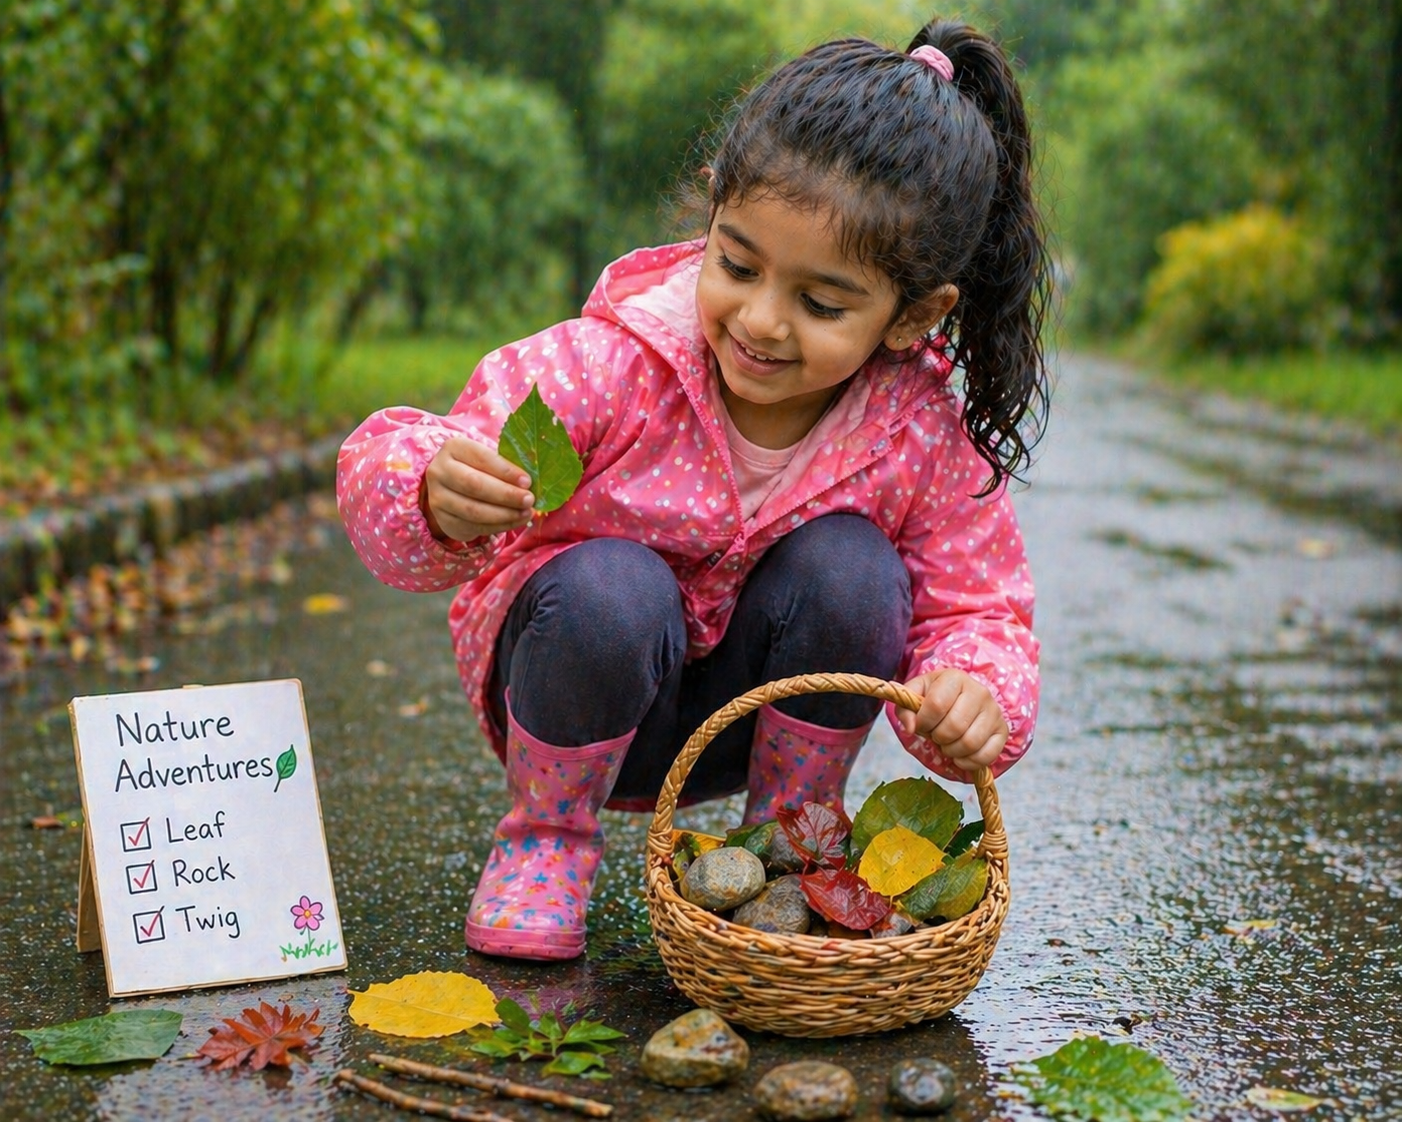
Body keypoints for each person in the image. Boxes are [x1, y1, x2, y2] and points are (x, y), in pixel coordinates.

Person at [337, 15, 1051, 961]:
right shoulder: (616, 364)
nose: (759, 321)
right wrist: (432, 490)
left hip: (744, 724)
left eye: (821, 303)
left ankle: (789, 843)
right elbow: (404, 453)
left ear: (912, 315)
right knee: (612, 584)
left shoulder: (916, 434)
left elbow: (981, 608)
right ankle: (547, 841)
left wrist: (976, 691)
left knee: (853, 566)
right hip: (570, 686)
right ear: (711, 217)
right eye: (738, 265)